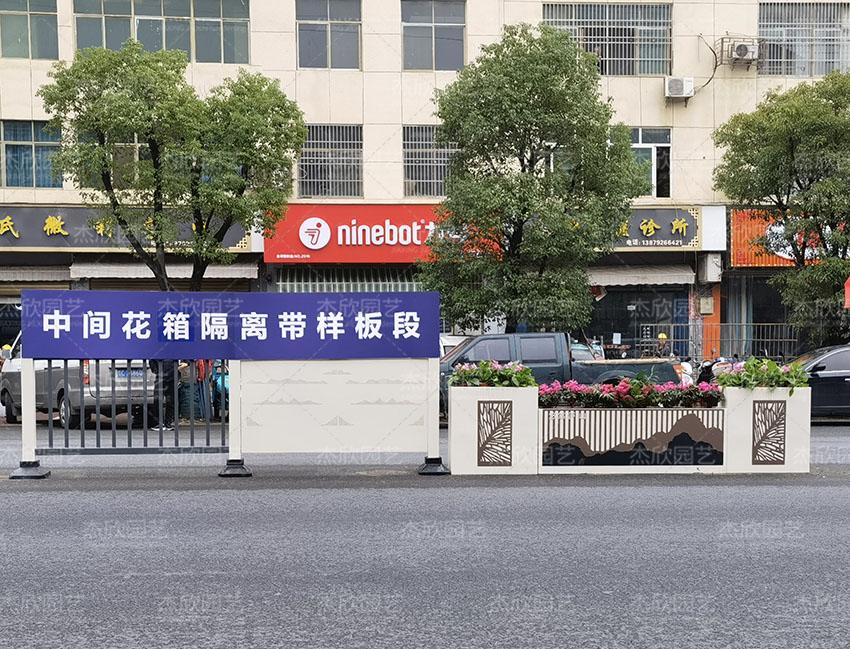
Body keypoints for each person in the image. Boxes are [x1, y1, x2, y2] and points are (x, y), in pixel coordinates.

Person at [149, 359, 177, 431]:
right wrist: (156, 371)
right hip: (161, 376)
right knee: (158, 399)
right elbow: (152, 360)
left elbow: (185, 361)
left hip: (172, 376)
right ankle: (160, 423)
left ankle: (168, 423)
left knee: (171, 401)